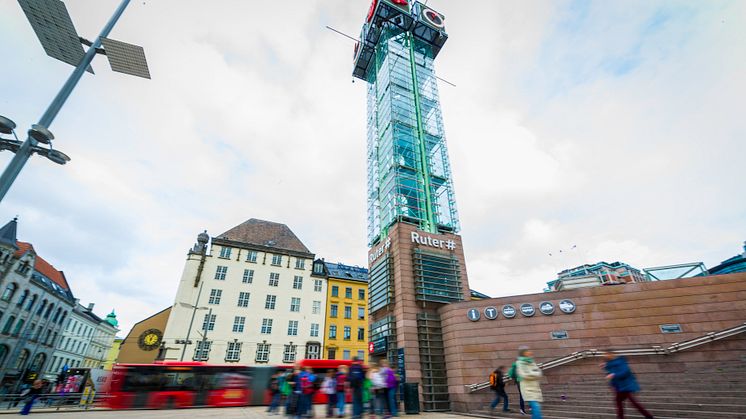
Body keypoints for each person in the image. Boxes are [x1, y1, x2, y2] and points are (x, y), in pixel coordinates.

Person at [602, 352, 654, 419]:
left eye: (607, 355)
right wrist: (605, 367)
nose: (606, 357)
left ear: (612, 355)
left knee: (631, 403)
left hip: (625, 386)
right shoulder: (610, 364)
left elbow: (625, 372)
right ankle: (648, 416)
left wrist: (613, 375)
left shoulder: (620, 362)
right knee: (623, 402)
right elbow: (610, 373)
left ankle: (648, 416)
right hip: (618, 386)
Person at [516, 347, 543, 419]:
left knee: (536, 408)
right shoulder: (519, 363)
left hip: (535, 388)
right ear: (523, 353)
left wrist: (531, 373)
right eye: (527, 351)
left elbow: (539, 373)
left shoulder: (532, 362)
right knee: (536, 407)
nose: (530, 352)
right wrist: (534, 374)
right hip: (527, 388)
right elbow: (524, 375)